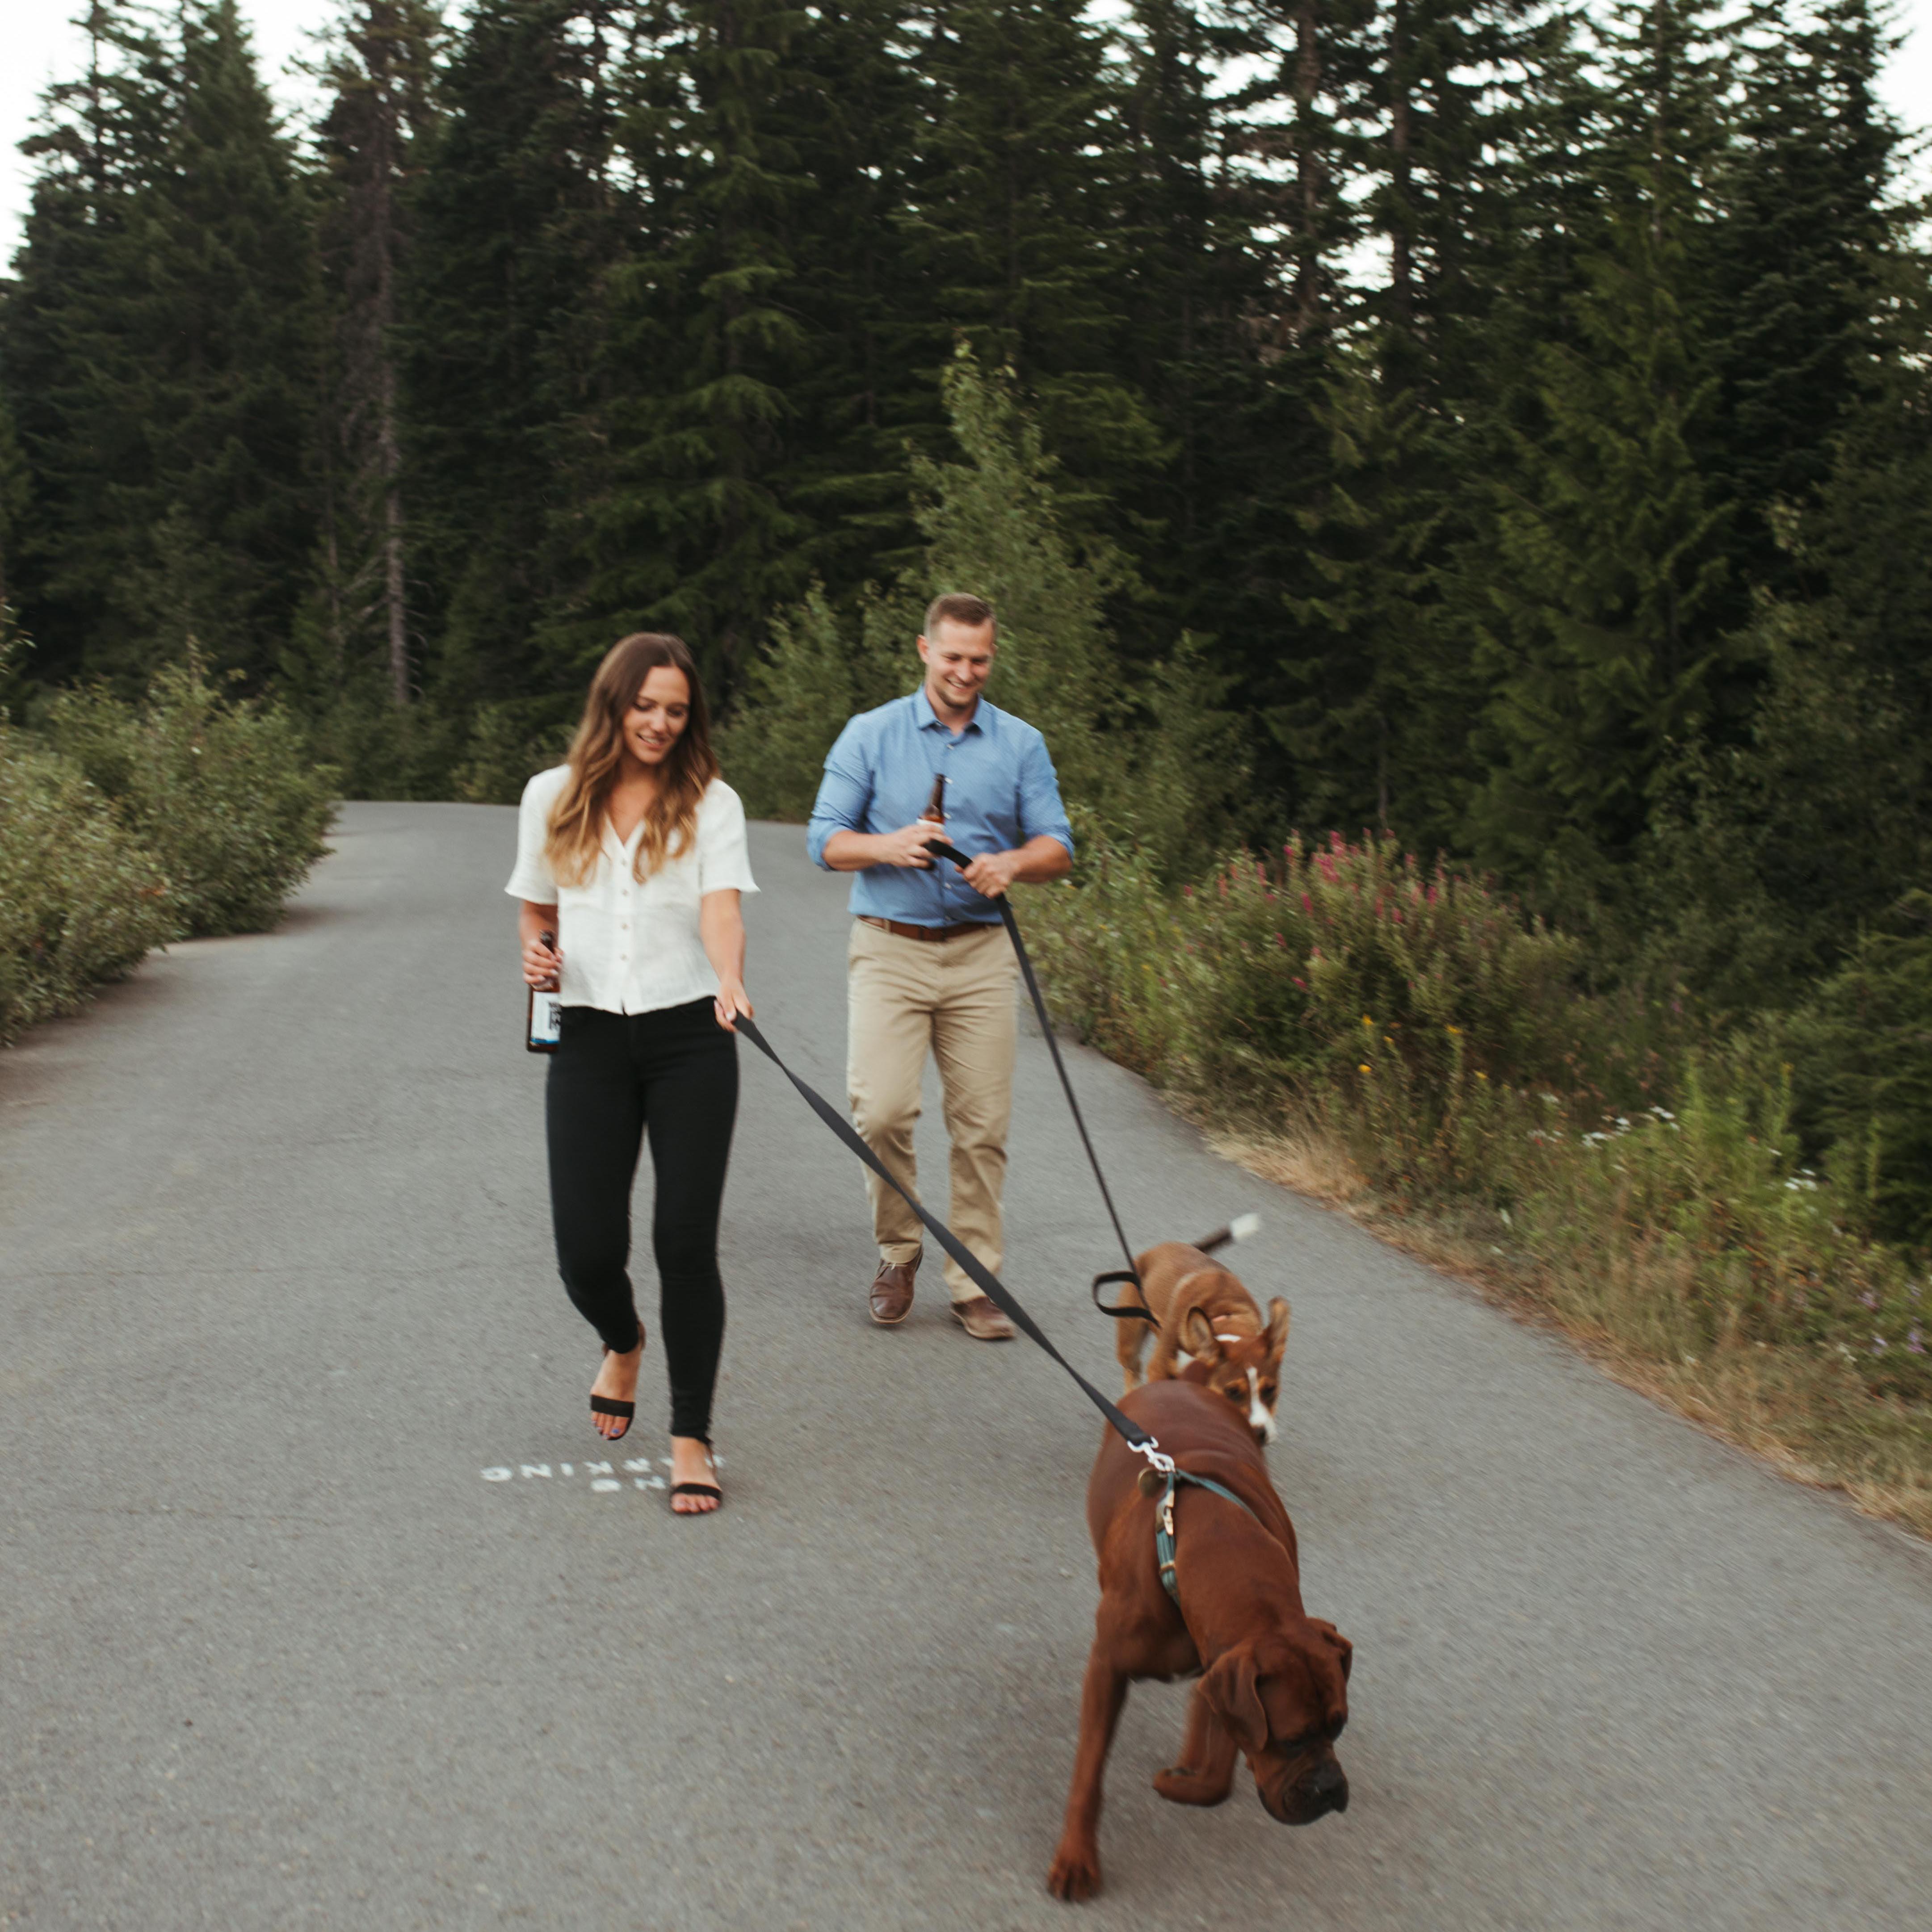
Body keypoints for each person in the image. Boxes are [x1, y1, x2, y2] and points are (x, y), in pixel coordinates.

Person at [506, 633, 756, 1515]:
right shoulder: (550, 795)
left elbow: (720, 909)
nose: (659, 723)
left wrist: (730, 978)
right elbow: (537, 907)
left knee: (684, 1244)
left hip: (692, 1035)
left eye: (676, 710)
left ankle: (691, 1435)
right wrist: (538, 953)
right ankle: (622, 1338)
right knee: (585, 1252)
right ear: (613, 703)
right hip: (586, 1038)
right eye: (645, 705)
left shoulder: (711, 802)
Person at [806, 592, 1074, 1338]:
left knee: (982, 1127)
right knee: (882, 1111)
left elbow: (1058, 844)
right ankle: (899, 1253)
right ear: (925, 650)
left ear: (993, 655)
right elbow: (824, 839)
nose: (965, 671)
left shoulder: (1020, 743)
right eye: (953, 656)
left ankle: (976, 1282)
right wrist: (889, 845)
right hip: (889, 946)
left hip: (981, 952)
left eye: (979, 659)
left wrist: (1013, 864)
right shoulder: (871, 734)